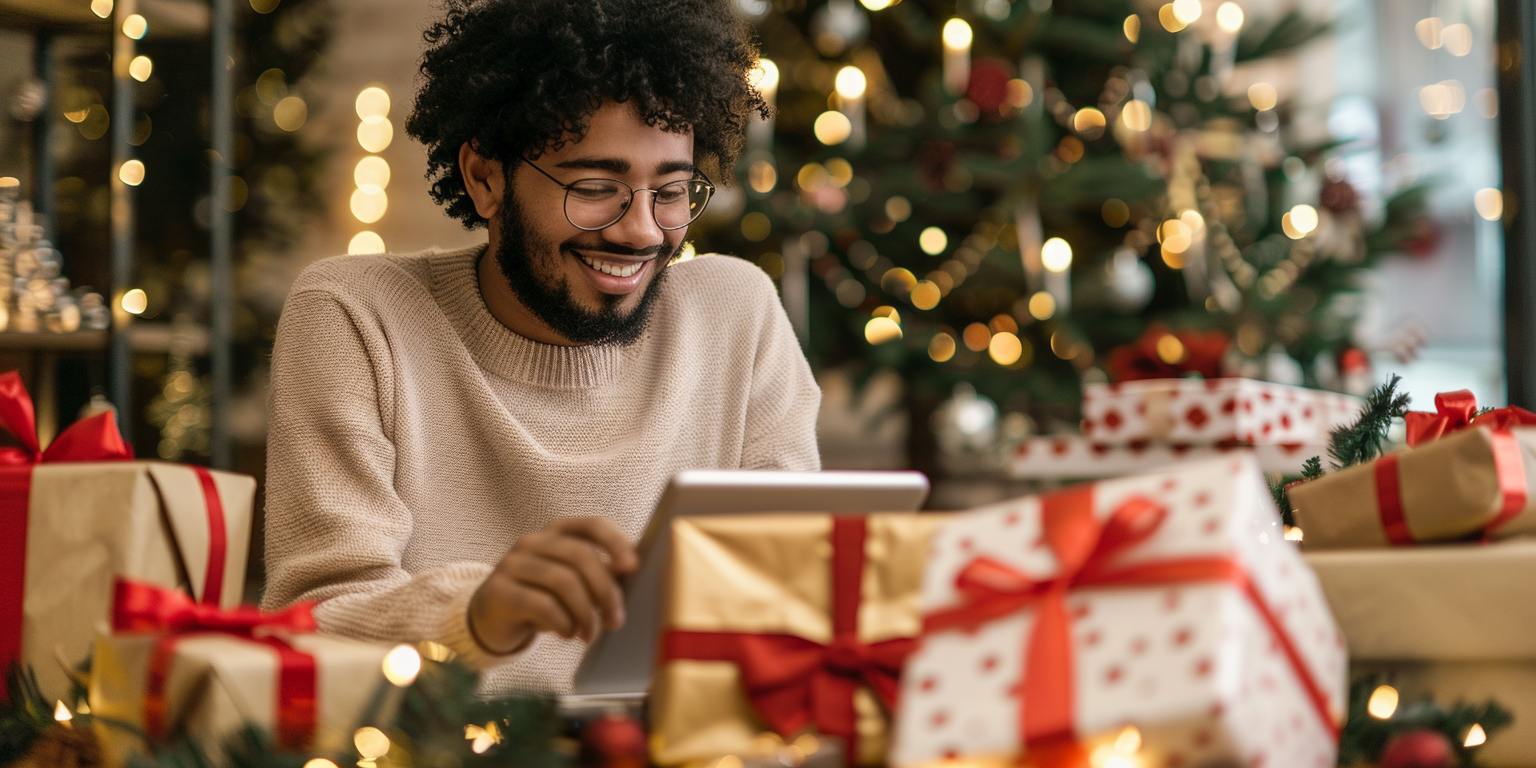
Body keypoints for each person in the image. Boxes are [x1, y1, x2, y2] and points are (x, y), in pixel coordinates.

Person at [261, 0, 820, 694]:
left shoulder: (736, 310)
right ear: (486, 178)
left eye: (670, 191)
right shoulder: (358, 316)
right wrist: (481, 614)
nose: (641, 231)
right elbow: (314, 622)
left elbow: (799, 590)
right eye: (596, 187)